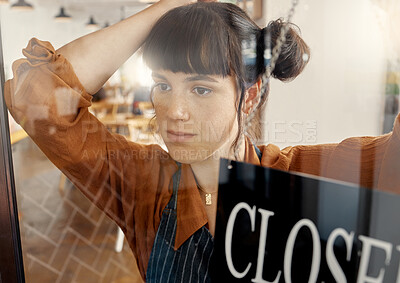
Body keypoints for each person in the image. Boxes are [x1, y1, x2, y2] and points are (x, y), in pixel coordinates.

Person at [4, 0, 400, 282]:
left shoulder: (308, 175)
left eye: (201, 89)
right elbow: (35, 98)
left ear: (249, 95)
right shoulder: (143, 185)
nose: (173, 111)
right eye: (162, 84)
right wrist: (170, 9)